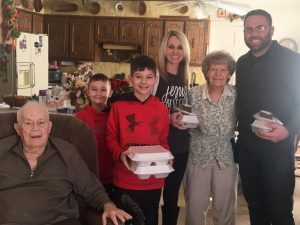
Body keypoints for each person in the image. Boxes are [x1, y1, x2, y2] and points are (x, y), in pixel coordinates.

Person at [0, 101, 131, 225]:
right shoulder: (2, 150)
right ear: (18, 129)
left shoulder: (67, 152)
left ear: (49, 127)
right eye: (28, 123)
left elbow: (93, 190)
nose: (35, 128)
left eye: (41, 122)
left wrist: (109, 206)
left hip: (60, 222)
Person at [236, 9, 300, 225]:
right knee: (255, 207)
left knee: (280, 211)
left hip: (278, 151)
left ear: (271, 30)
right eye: (249, 29)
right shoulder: (241, 63)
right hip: (247, 149)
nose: (254, 34)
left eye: (260, 28)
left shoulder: (292, 60)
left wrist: (289, 130)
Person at [106, 55, 170, 225]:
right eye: (138, 76)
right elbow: (111, 138)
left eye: (149, 77)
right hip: (125, 178)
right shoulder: (118, 106)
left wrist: (168, 158)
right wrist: (121, 154)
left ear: (156, 79)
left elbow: (163, 142)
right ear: (130, 78)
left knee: (150, 219)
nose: (143, 82)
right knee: (126, 221)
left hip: (153, 180)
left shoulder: (162, 109)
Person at [183, 51, 238, 225]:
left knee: (225, 208)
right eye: (213, 69)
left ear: (229, 74)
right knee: (195, 207)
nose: (218, 74)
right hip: (198, 156)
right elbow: (183, 120)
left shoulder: (237, 95)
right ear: (206, 71)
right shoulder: (193, 94)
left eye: (223, 70)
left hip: (225, 157)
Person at [153, 29, 190, 225]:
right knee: (151, 193)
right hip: (157, 145)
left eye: (179, 47)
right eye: (171, 46)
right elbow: (146, 111)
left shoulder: (186, 77)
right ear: (164, 49)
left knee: (172, 194)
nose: (175, 52)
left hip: (181, 146)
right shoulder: (156, 76)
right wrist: (168, 119)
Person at [76, 73, 114, 196]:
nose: (98, 93)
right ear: (87, 91)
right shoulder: (80, 117)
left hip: (111, 176)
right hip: (88, 175)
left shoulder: (115, 115)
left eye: (103, 90)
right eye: (94, 89)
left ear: (110, 93)